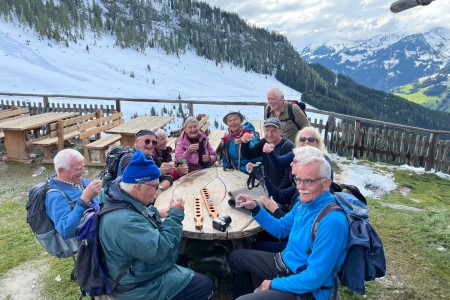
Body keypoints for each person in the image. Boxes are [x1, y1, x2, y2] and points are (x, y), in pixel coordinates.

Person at [228, 156, 349, 300]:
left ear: (326, 183)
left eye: (309, 181)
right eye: (298, 180)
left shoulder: (332, 222)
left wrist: (273, 284)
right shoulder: (303, 204)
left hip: (309, 290)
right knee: (236, 258)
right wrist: (255, 208)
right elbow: (280, 229)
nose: (301, 187)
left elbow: (314, 278)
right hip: (285, 265)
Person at [99, 150, 214, 300]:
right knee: (204, 284)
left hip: (134, 268)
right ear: (138, 186)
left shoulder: (119, 196)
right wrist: (175, 215)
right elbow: (160, 251)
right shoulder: (123, 222)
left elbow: (136, 213)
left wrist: (154, 212)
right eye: (154, 186)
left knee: (183, 259)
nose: (156, 192)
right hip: (136, 285)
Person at [262, 126, 335, 215]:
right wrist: (262, 176)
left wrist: (275, 210)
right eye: (302, 139)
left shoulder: (323, 162)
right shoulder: (298, 154)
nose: (306, 142)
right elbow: (279, 162)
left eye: (311, 139)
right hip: (296, 192)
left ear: (317, 142)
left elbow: (291, 225)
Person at [46, 149, 101, 240]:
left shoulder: (82, 182)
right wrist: (83, 200)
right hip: (86, 245)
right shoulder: (55, 196)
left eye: (83, 167)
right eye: (78, 169)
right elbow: (65, 231)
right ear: (61, 171)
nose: (83, 172)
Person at [241, 118, 294, 191]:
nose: (270, 134)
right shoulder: (264, 142)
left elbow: (288, 175)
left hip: (283, 190)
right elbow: (248, 155)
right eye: (267, 130)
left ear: (280, 132)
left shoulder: (288, 146)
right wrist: (245, 143)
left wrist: (278, 193)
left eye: (274, 131)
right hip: (268, 187)